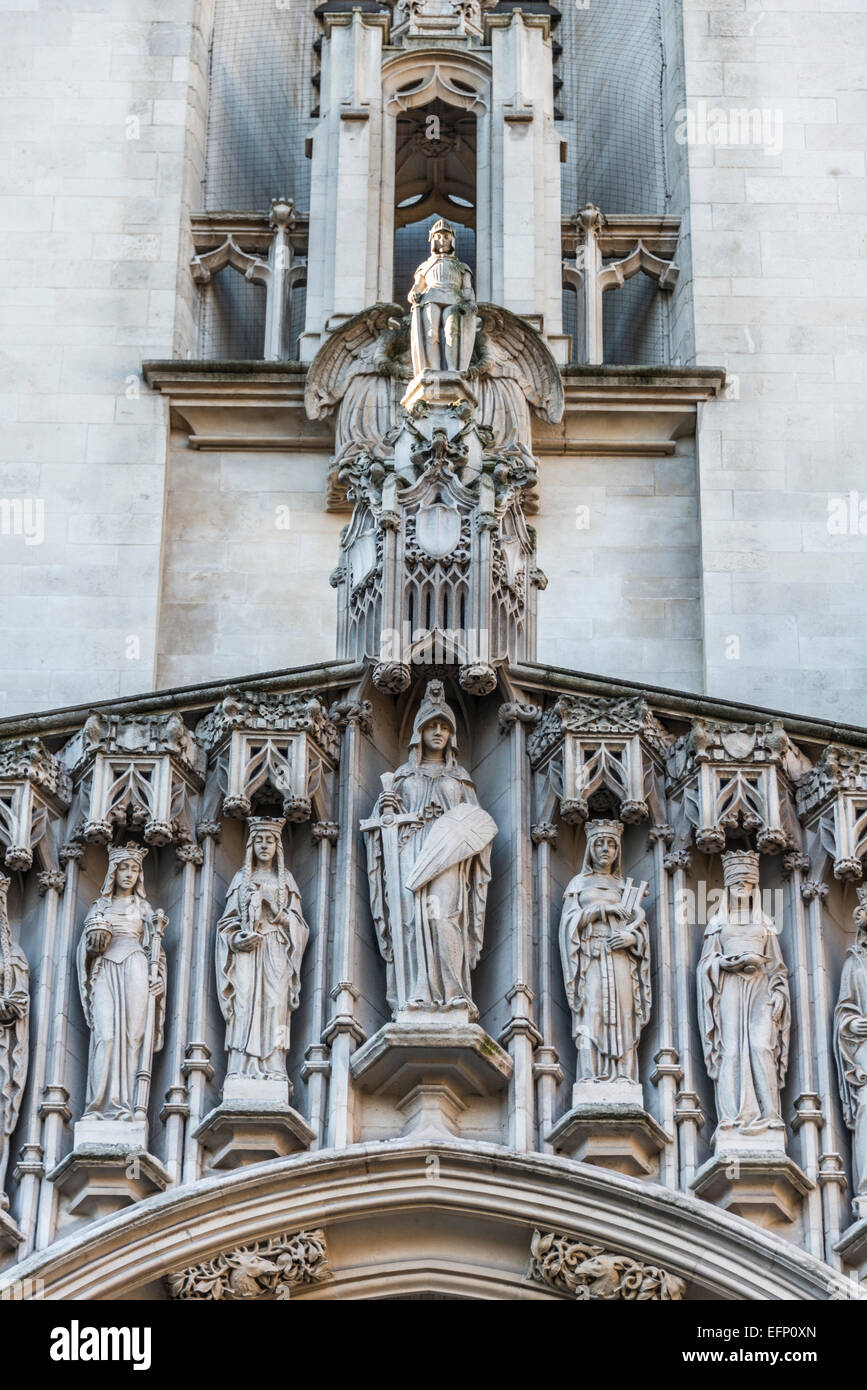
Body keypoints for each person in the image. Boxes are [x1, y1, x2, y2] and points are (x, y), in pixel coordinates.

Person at [216, 817, 309, 1081]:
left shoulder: (286, 880)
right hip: (247, 953)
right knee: (244, 1007)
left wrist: (276, 910)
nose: (264, 845)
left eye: (270, 840)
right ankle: (241, 1066)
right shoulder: (240, 880)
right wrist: (236, 941)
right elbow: (226, 924)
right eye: (259, 840)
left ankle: (275, 1064)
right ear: (251, 845)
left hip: (276, 949)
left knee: (275, 1005)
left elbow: (300, 927)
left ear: (278, 845)